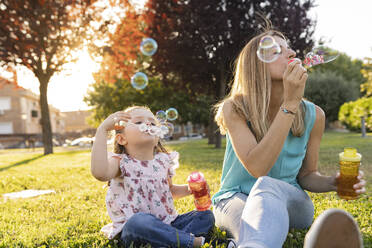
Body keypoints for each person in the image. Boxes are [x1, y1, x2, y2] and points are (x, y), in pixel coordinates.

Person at [212, 29, 366, 248]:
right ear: (255, 67)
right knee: (250, 224)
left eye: (288, 47)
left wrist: (334, 182)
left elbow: (307, 175)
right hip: (236, 198)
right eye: (276, 51)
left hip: (290, 200)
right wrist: (290, 104)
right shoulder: (235, 108)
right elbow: (258, 167)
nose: (292, 52)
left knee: (267, 188)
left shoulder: (315, 115)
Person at [91, 106, 215, 248]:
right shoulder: (121, 162)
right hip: (136, 228)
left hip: (168, 223)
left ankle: (172, 241)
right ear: (121, 139)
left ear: (157, 139)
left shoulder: (162, 161)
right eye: (138, 122)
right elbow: (99, 172)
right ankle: (190, 242)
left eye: (153, 122)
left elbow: (169, 191)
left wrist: (191, 189)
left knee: (205, 216)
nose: (148, 124)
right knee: (139, 222)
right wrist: (102, 130)